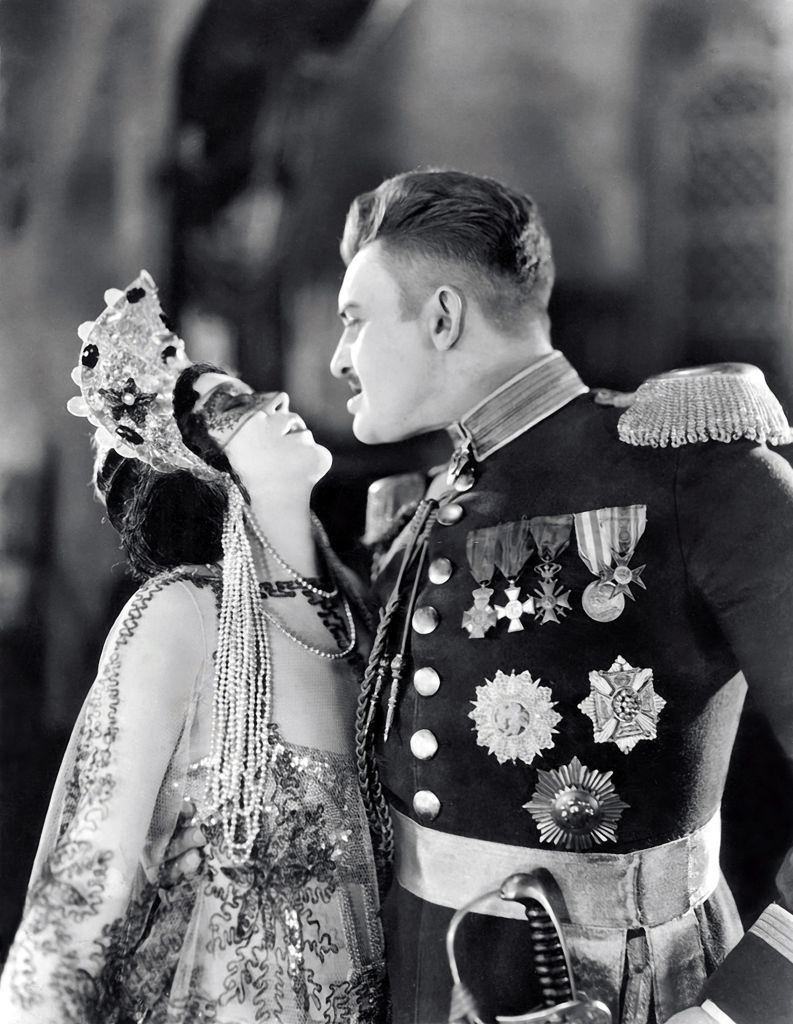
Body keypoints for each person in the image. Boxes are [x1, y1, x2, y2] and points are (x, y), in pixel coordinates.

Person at [328, 170, 793, 1024]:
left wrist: (743, 1009)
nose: (337, 358)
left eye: (353, 322)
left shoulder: (695, 472)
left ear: (441, 316)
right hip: (417, 983)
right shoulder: (418, 509)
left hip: (630, 994)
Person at [0, 274, 388, 1024]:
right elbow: (78, 902)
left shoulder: (360, 620)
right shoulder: (182, 614)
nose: (276, 401)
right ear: (193, 463)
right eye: (232, 406)